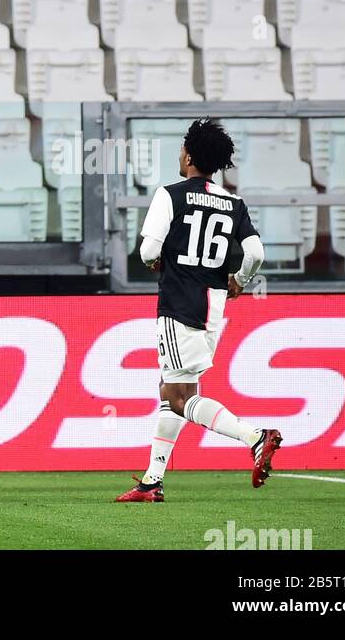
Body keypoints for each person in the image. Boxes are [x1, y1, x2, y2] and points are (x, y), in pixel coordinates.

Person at [116, 118, 280, 502]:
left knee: (177, 395)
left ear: (188, 155)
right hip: (213, 309)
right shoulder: (233, 202)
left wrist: (156, 261)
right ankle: (152, 482)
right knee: (173, 390)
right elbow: (255, 252)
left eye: (181, 149)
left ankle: (254, 436)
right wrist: (240, 278)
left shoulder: (169, 194)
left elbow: (147, 251)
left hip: (179, 304)